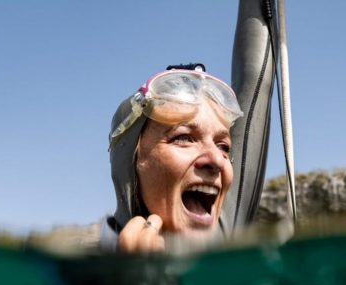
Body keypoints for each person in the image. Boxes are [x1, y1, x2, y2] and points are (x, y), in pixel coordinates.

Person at [100, 0, 275, 253]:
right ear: (131, 165)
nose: (217, 160)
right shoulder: (69, 282)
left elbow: (256, 78)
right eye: (183, 138)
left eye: (224, 146)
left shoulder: (225, 226)